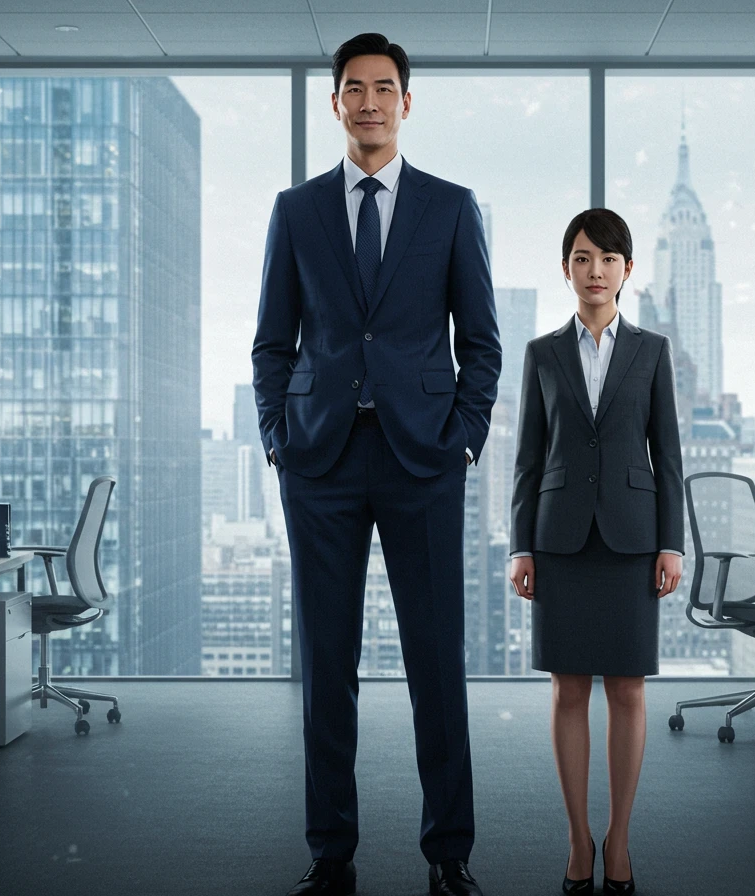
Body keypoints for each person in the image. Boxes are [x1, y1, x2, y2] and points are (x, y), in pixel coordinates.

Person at [252, 32, 500, 896]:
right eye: (353, 88)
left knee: (437, 659)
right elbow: (270, 344)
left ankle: (449, 854)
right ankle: (330, 854)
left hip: (422, 459)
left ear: (406, 101)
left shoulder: (450, 206)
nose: (368, 101)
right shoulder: (297, 210)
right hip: (319, 459)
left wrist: (463, 437)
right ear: (335, 104)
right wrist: (278, 439)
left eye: (383, 87)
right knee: (328, 665)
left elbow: (482, 345)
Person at [508, 208, 684, 895]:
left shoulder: (653, 351)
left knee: (630, 689)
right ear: (566, 269)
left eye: (608, 258)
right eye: (582, 258)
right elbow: (527, 457)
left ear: (628, 270)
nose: (595, 271)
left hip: (633, 538)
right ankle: (579, 837)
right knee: (568, 689)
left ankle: (621, 838)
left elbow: (666, 454)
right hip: (559, 539)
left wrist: (671, 542)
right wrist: (521, 545)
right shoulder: (541, 354)